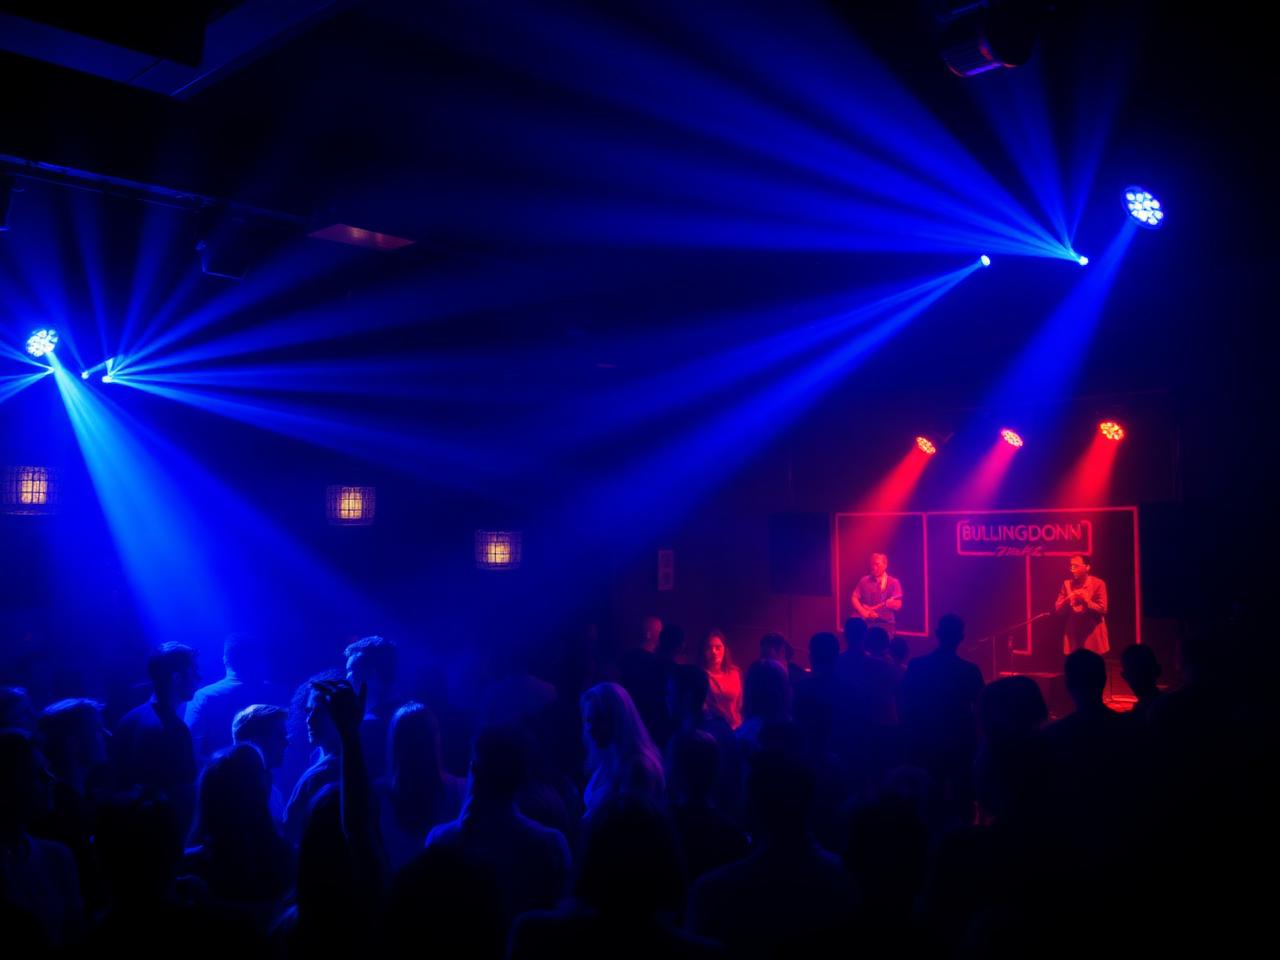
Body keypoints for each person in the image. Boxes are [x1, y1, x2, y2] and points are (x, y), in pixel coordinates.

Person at [113, 643, 199, 831]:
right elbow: (182, 796)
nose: (199, 678)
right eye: (193, 673)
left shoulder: (127, 720)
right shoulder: (174, 729)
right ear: (176, 678)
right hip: (160, 839)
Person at [184, 632, 286, 763]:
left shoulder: (205, 697)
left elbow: (190, 749)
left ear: (225, 660)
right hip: (271, 779)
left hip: (223, 780)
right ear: (259, 659)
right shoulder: (278, 693)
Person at [580, 683, 665, 813]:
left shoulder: (637, 767)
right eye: (589, 721)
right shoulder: (608, 759)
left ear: (617, 718)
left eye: (599, 719)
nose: (591, 729)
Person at [1054, 555, 1109, 654]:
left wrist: (1087, 601)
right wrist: (1068, 599)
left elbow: (1103, 609)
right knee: (1075, 664)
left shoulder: (1098, 584)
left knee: (1092, 664)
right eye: (1071, 566)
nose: (1072, 569)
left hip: (1092, 633)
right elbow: (1058, 610)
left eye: (1076, 566)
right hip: (1074, 632)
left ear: (1087, 567)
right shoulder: (1067, 584)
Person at [850, 553, 903, 638]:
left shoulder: (893, 582)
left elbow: (898, 604)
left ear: (885, 565)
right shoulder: (864, 581)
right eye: (872, 564)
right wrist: (863, 612)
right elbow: (854, 597)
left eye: (877, 564)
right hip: (866, 622)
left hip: (884, 623)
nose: (874, 567)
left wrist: (893, 604)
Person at [701, 630, 742, 729]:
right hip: (713, 729)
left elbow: (740, 704)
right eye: (709, 648)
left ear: (725, 649)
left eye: (718, 647)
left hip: (736, 727)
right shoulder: (701, 675)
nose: (713, 652)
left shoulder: (735, 672)